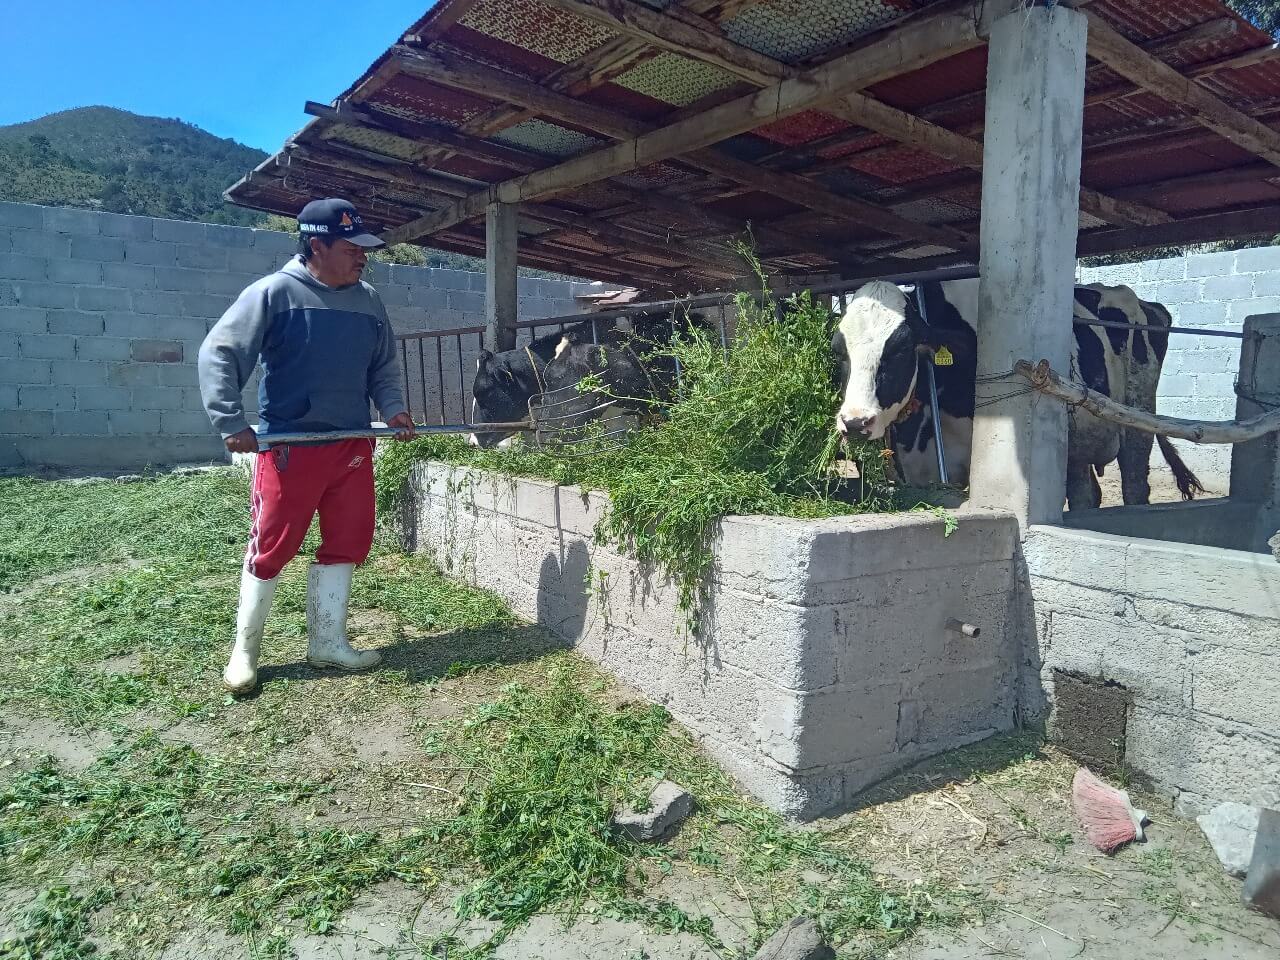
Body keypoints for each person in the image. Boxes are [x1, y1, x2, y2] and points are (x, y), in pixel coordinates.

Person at [197, 198, 415, 695]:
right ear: (316, 245)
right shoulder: (275, 294)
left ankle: (328, 643)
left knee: (349, 538)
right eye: (351, 248)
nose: (362, 257)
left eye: (364, 249)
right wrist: (230, 420)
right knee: (272, 545)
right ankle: (244, 654)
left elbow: (382, 366)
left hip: (351, 443)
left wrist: (393, 408)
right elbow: (219, 353)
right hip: (290, 445)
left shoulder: (368, 300)